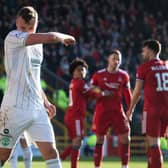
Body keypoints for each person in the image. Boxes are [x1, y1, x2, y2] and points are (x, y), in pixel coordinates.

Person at [0, 6, 75, 168]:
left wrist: (46, 102)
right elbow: (51, 37)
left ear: (37, 25)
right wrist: (62, 37)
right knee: (4, 154)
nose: (26, 32)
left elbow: (34, 79)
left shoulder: (38, 46)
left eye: (30, 29)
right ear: (16, 23)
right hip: (14, 108)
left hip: (36, 108)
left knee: (51, 151)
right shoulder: (12, 37)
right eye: (22, 28)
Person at [60, 58, 111, 168]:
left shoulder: (74, 83)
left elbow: (88, 94)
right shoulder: (80, 83)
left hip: (72, 115)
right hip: (75, 116)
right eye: (79, 70)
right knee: (77, 142)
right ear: (73, 72)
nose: (81, 72)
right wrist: (103, 93)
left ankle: (60, 159)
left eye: (83, 70)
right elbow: (92, 94)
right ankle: (62, 160)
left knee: (77, 142)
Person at [127, 40, 168, 168]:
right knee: (153, 144)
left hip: (152, 110)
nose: (142, 53)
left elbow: (137, 91)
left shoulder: (144, 67)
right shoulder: (166, 65)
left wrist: (130, 110)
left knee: (153, 144)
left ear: (150, 50)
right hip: (166, 109)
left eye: (144, 51)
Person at [90, 50, 132, 168]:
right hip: (102, 112)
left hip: (118, 112)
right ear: (108, 59)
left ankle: (125, 166)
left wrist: (130, 110)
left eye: (118, 59)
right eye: (114, 58)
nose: (116, 61)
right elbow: (91, 91)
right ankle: (97, 166)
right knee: (99, 140)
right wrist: (102, 94)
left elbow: (128, 95)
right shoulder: (98, 75)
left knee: (125, 138)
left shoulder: (124, 76)